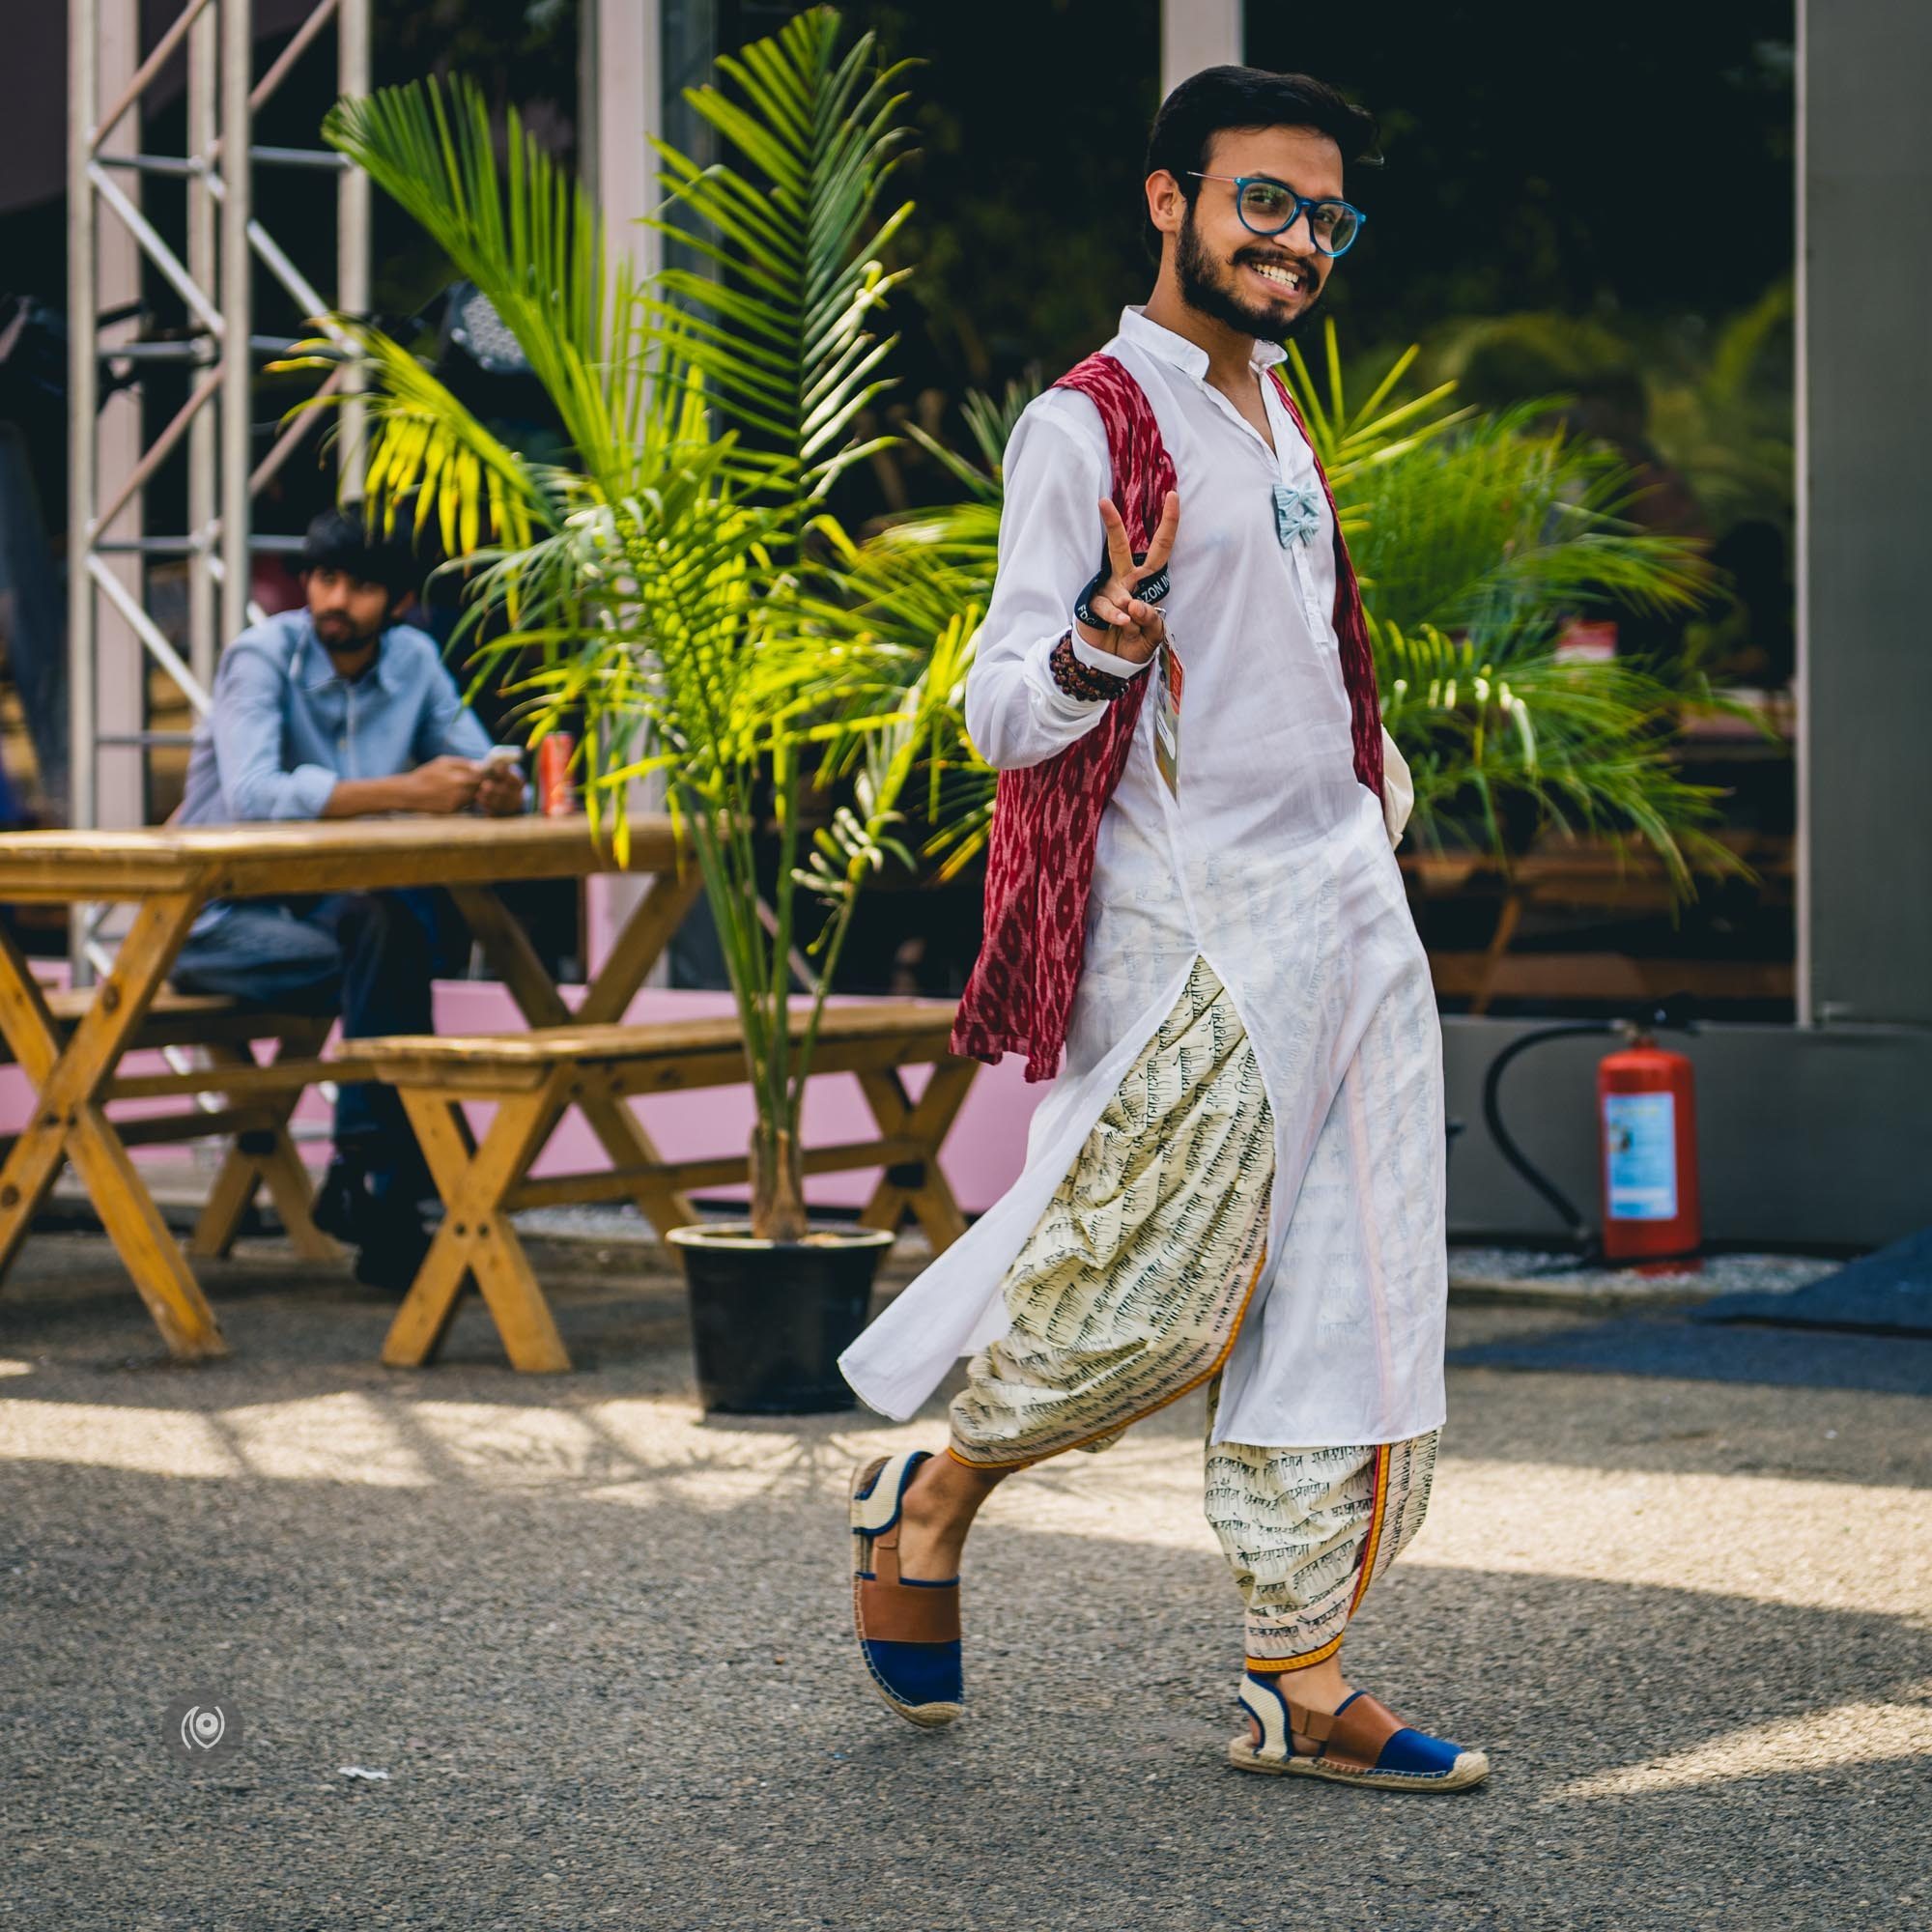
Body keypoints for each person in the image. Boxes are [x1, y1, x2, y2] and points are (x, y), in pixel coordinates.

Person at [839, 67, 1487, 1793]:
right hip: (1193, 937)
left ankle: (1299, 1677)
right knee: (1139, 1304)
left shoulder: (1281, 416)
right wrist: (1099, 649)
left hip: (1347, 908)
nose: (1294, 242)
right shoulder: (1089, 423)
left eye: (1323, 217)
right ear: (1168, 201)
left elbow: (1302, 661)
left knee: (1353, 1292)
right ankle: (936, 1487)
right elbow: (996, 712)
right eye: (1261, 203)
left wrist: (1374, 804)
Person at [172, 506, 526, 1287]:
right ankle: (389, 1183)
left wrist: (498, 789)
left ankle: (372, 1184)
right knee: (395, 946)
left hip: (334, 925)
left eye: (362, 587)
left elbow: (475, 757)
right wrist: (408, 789)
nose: (336, 600)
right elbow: (256, 794)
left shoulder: (413, 659)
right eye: (325, 579)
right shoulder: (263, 655)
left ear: (398, 602)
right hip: (211, 926)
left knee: (389, 926)